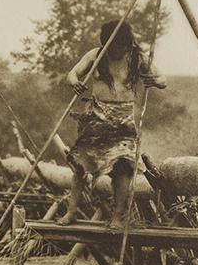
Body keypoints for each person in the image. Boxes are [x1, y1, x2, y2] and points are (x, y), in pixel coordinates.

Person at [57, 19, 166, 226]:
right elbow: (73, 74)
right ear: (106, 43)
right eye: (113, 46)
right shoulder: (96, 55)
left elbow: (163, 78)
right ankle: (71, 213)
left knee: (123, 168)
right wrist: (75, 83)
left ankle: (118, 217)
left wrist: (156, 82)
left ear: (127, 44)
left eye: (121, 46)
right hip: (98, 117)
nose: (117, 51)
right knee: (80, 165)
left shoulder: (137, 58)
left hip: (124, 120)